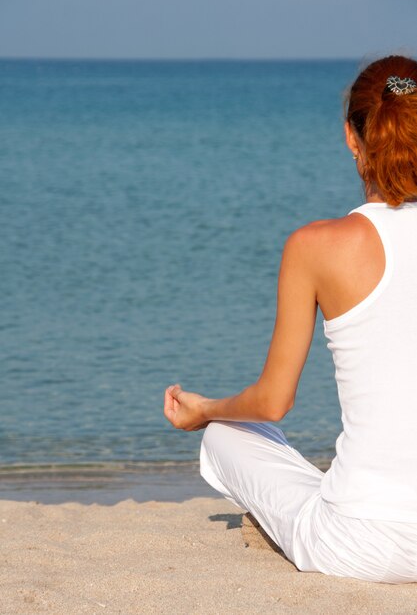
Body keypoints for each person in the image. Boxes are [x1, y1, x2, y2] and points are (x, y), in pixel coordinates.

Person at [164, 55, 417, 583]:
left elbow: (273, 402)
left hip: (360, 544)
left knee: (226, 436)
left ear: (353, 137)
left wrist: (207, 410)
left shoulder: (316, 247)